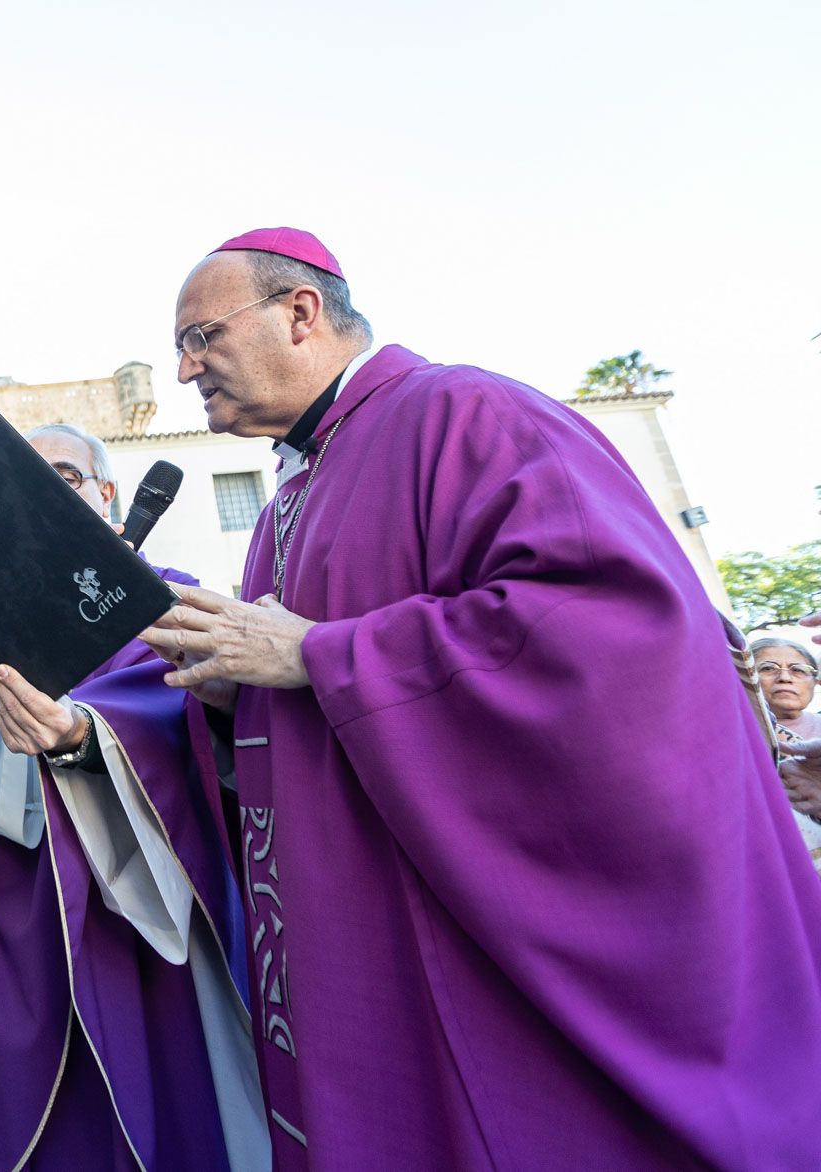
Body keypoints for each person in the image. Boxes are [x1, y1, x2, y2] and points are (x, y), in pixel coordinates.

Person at [144, 226, 821, 1168]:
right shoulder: (283, 506)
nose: (184, 371)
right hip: (357, 930)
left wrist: (325, 655)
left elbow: (611, 629)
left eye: (200, 337)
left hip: (477, 940)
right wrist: (228, 695)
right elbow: (293, 692)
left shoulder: (462, 413)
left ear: (299, 313)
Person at [0, 422, 263, 1171]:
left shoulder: (166, 597)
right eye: (28, 480)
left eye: (67, 477)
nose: (47, 492)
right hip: (18, 921)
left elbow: (199, 720)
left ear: (108, 496)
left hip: (142, 915)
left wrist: (86, 734)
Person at [753, 638, 821, 818]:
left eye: (798, 670)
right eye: (768, 668)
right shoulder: (732, 735)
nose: (784, 678)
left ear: (815, 682)